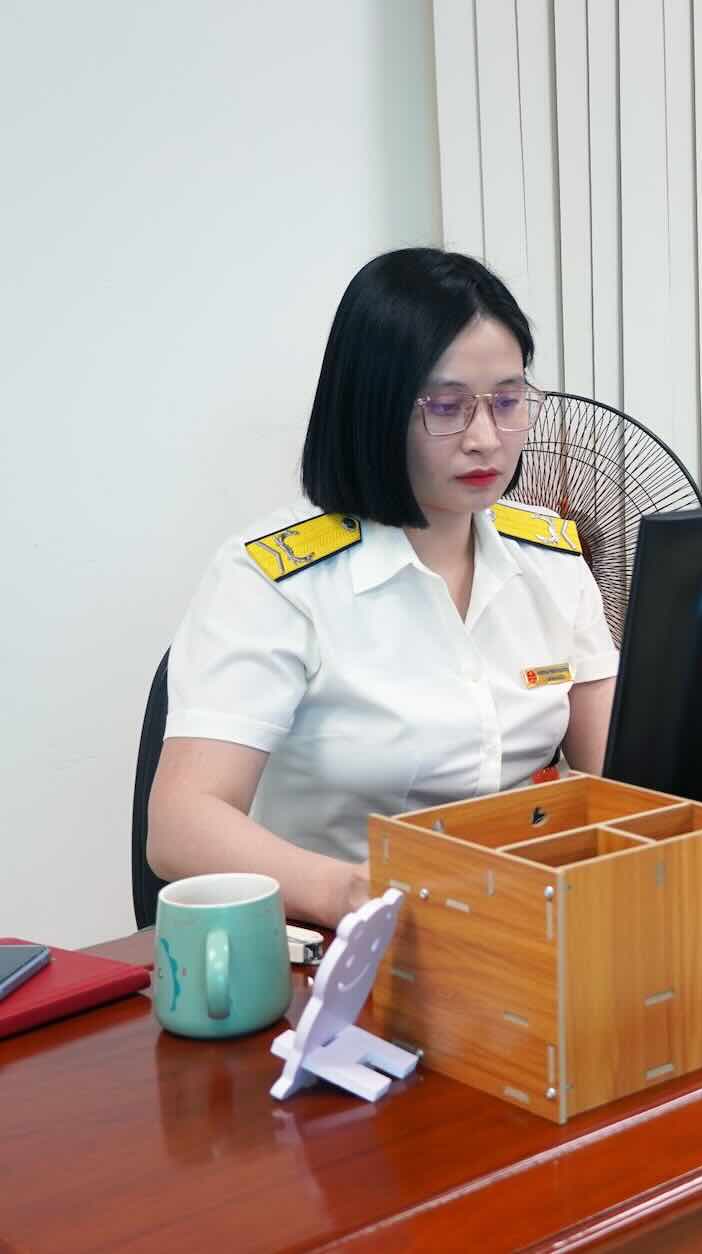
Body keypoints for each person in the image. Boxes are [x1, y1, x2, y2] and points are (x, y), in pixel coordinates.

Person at [148, 249, 618, 927]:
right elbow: (180, 825)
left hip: (522, 926)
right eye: (447, 407)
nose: (486, 439)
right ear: (374, 409)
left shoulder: (548, 555)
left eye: (509, 401)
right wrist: (350, 894)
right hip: (340, 945)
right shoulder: (276, 580)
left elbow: (626, 774)